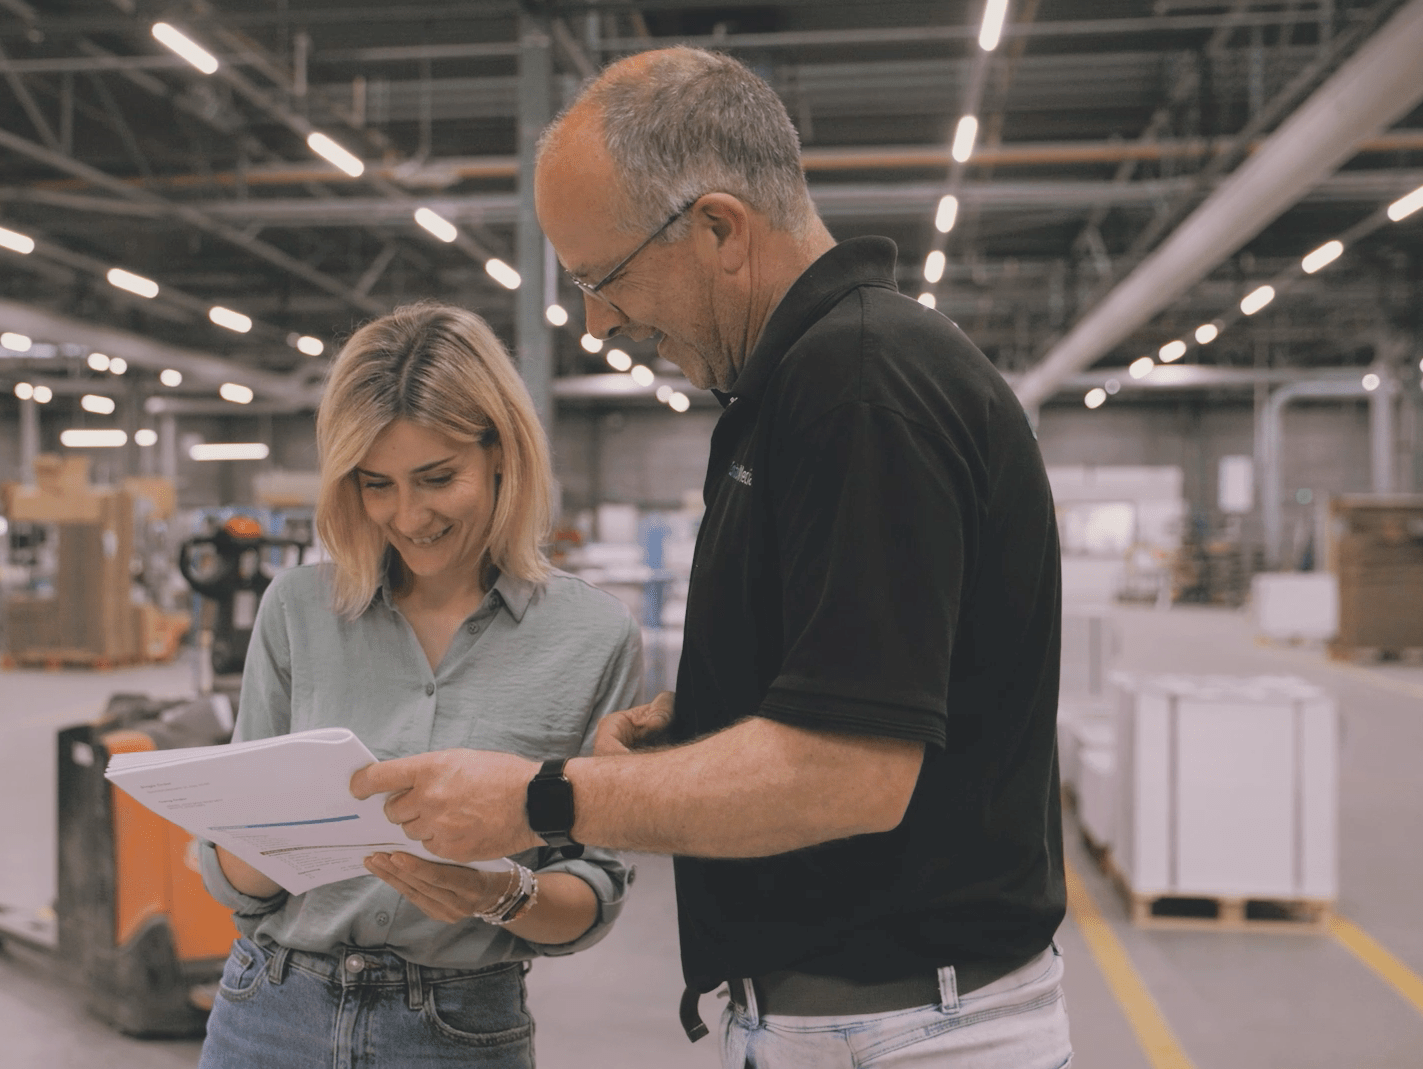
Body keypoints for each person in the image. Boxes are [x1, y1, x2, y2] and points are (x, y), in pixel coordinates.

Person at [350, 47, 1072, 1069]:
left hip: (904, 1031)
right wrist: (712, 721)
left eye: (601, 278)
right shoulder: (791, 395)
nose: (597, 321)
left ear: (719, 229)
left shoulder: (859, 388)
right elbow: (889, 679)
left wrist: (534, 797)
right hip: (858, 1020)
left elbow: (849, 774)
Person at [195, 301, 642, 1069]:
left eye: (437, 478)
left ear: (500, 452)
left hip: (458, 1027)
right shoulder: (298, 609)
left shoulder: (594, 637)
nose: (407, 515)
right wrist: (255, 846)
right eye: (376, 484)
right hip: (270, 1011)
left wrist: (497, 894)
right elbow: (231, 872)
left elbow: (593, 889)